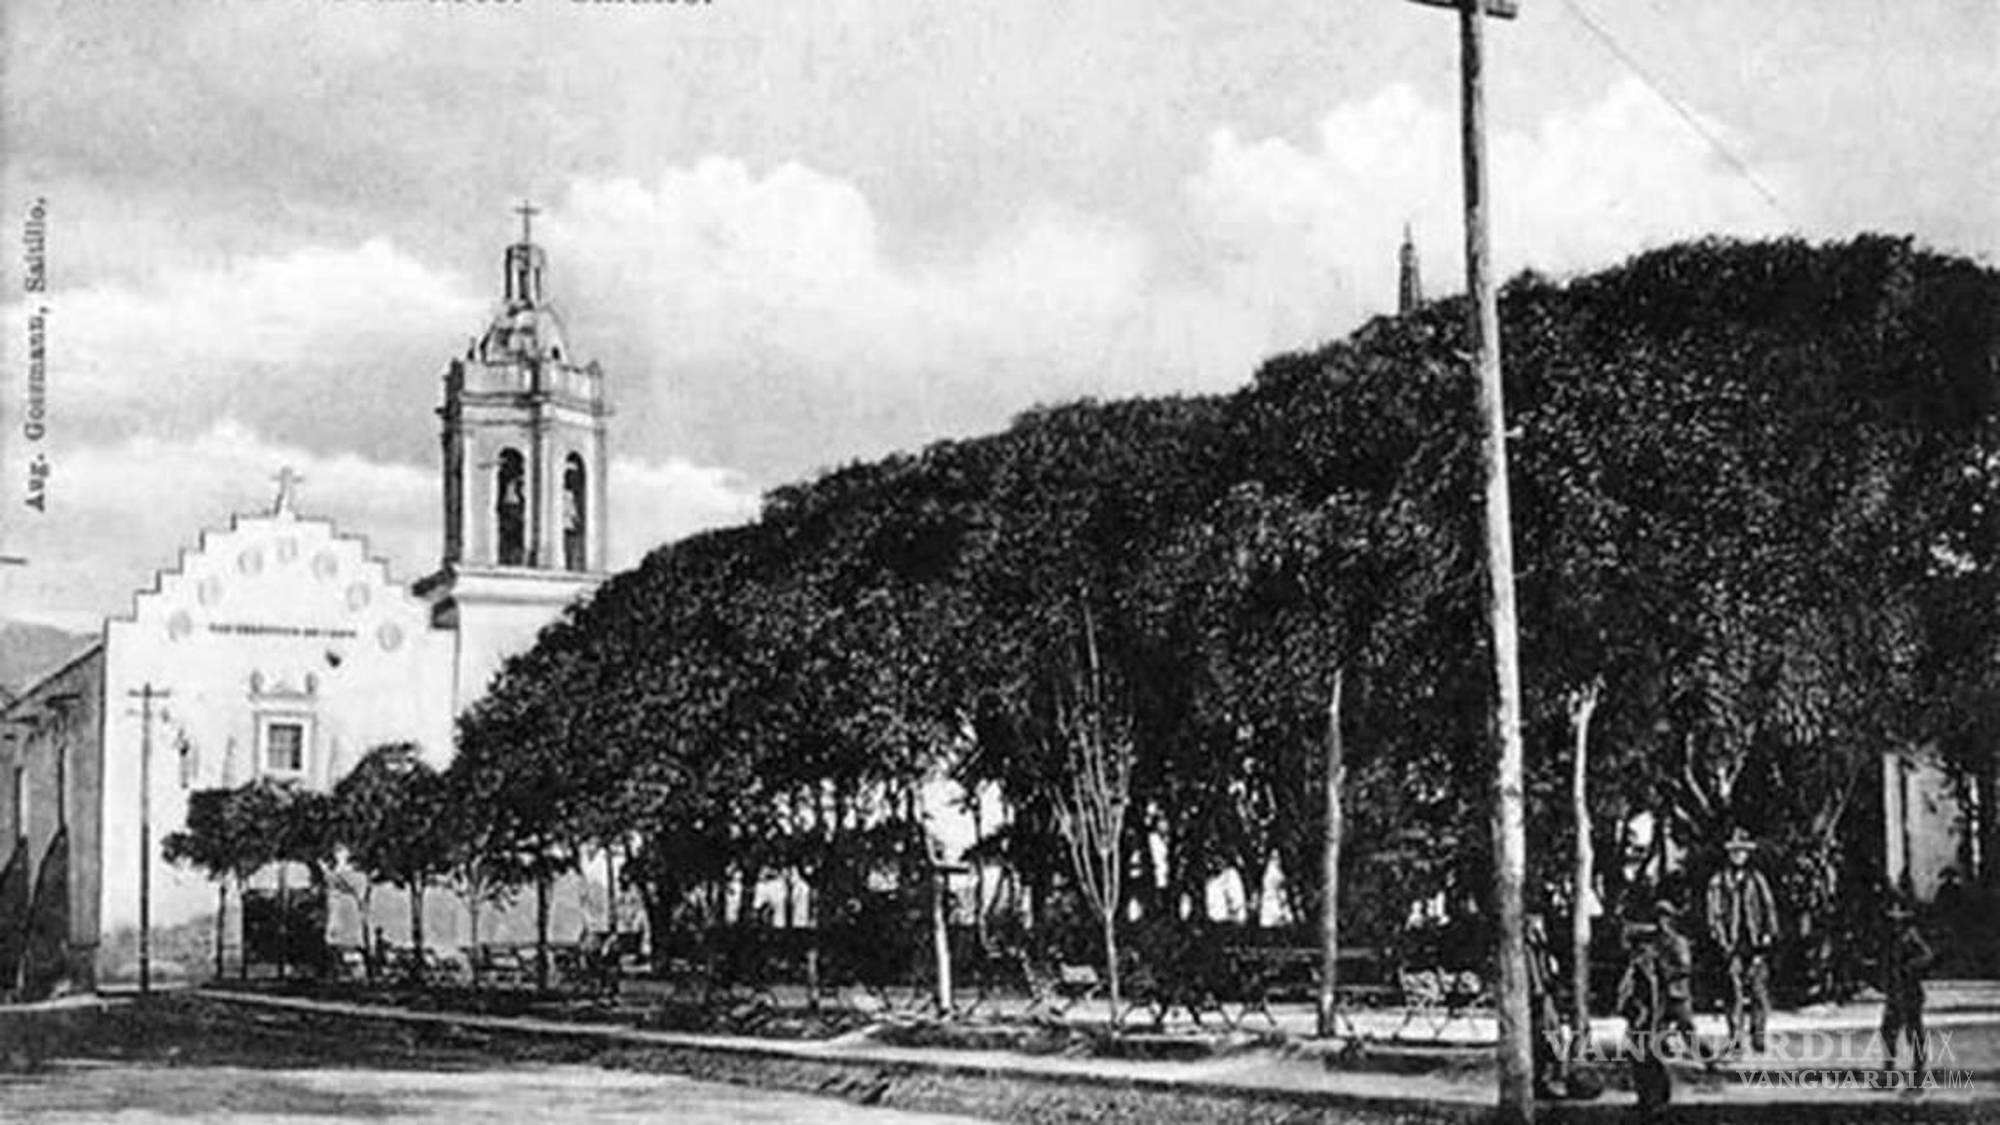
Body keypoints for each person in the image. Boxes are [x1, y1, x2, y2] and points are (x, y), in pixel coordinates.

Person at [1705, 828, 1778, 1053]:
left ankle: (1758, 1036)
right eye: (1734, 852)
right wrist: (1720, 938)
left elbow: (1768, 907)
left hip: (1755, 942)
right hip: (1732, 944)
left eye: (1742, 852)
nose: (1738, 855)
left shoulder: (1757, 880)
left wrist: (1768, 933)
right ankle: (1735, 1037)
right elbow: (1713, 913)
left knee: (1758, 991)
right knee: (1733, 992)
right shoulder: (1718, 881)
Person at [1617, 918, 1672, 1114]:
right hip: (1643, 1021)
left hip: (1651, 1021)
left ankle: (1655, 1099)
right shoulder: (1642, 969)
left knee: (1648, 1060)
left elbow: (1662, 996)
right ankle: (1649, 1099)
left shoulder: (1651, 969)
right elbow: (1623, 997)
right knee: (1642, 1060)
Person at [1878, 900, 1933, 1077]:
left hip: (1910, 991)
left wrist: (1910, 967)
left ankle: (1918, 1063)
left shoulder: (1910, 936)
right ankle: (1888, 1065)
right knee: (1888, 1030)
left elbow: (1926, 956)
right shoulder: (1890, 940)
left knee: (1913, 1030)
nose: (1895, 924)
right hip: (1895, 991)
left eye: (1898, 920)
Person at [1653, 900, 1698, 1057]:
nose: (1661, 922)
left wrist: (1667, 972)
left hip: (1677, 990)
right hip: (1660, 993)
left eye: (1665, 917)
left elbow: (1685, 968)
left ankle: (1705, 1058)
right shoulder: (1655, 941)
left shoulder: (1678, 942)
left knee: (1686, 1027)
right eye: (1658, 918)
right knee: (1657, 1026)